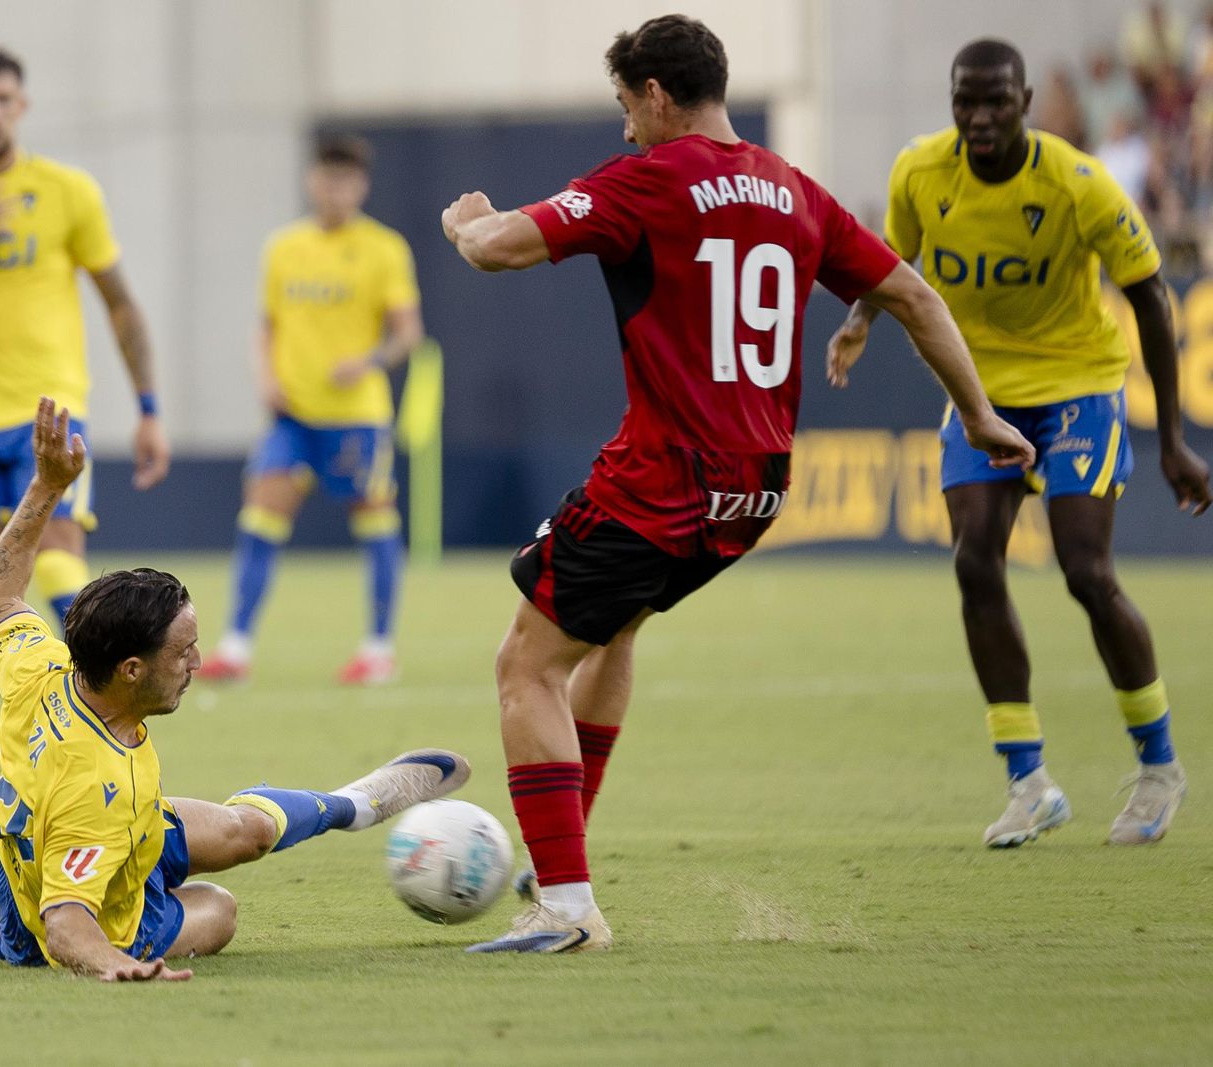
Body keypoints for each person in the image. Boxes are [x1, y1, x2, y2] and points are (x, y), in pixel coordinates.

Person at [441, 15, 1033, 953]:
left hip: (661, 475)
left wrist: (464, 218)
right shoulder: (792, 190)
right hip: (754, 492)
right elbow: (914, 297)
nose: (626, 128)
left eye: (628, 107)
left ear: (658, 95)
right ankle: (566, 858)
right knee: (614, 627)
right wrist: (981, 412)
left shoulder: (644, 178)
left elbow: (499, 247)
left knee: (526, 662)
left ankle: (566, 902)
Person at [0, 398, 469, 980]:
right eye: (183, 651)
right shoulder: (99, 786)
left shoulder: (40, 667)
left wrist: (49, 484)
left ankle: (357, 802)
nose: (198, 662)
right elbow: (69, 923)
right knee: (219, 910)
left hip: (56, 849)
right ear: (129, 668)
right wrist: (116, 964)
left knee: (242, 833)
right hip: (94, 900)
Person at [828, 39, 1210, 850]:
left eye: (996, 101)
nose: (979, 117)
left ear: (1027, 101)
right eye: (966, 101)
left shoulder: (1077, 183)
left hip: (1078, 384)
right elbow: (896, 261)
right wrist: (860, 319)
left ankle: (1159, 766)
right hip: (981, 391)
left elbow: (1152, 300)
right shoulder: (920, 172)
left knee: (1085, 569)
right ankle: (1028, 780)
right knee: (974, 560)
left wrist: (1173, 440)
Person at [0, 45, 170, 644]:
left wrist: (149, 409)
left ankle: (93, 710)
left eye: (2, 100)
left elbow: (120, 302)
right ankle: (52, 698)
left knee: (60, 569)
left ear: (22, 107)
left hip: (48, 408)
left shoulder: (66, 190)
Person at [198, 136, 425, 686]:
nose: (336, 190)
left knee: (373, 520)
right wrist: (265, 377)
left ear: (362, 186)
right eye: (327, 178)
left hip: (356, 418)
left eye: (347, 181)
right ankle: (236, 646)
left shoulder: (384, 248)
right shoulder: (283, 246)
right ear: (311, 180)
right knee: (259, 517)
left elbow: (407, 334)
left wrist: (368, 361)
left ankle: (378, 649)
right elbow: (266, 325)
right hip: (292, 415)